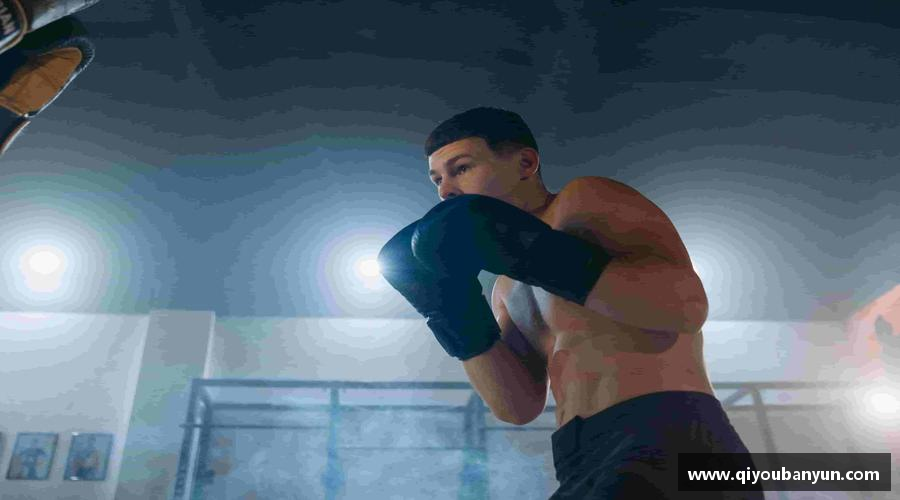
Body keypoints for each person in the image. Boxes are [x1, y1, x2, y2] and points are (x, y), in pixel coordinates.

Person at [378, 107, 761, 498]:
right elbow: (517, 406)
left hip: (668, 431)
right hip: (579, 456)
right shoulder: (505, 286)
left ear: (525, 163)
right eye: (437, 179)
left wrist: (542, 257)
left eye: (461, 168)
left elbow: (685, 308)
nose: (445, 191)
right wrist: (448, 308)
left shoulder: (583, 201)